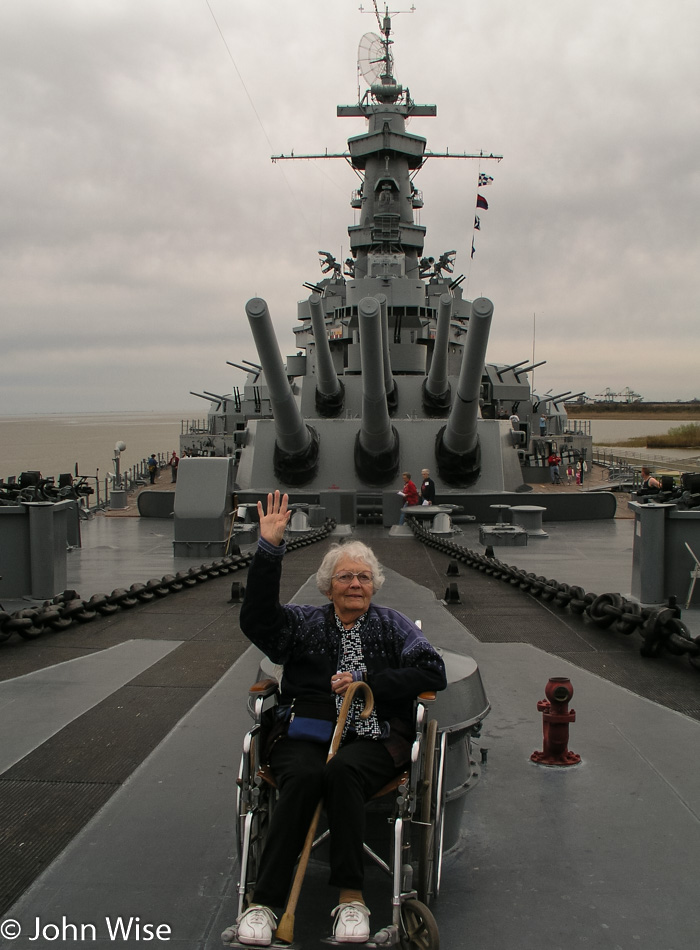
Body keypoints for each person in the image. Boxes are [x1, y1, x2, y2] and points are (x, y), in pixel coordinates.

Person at [232, 491, 447, 946]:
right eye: (347, 576)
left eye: (365, 577)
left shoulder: (394, 625)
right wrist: (269, 549)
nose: (356, 584)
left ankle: (352, 898)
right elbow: (256, 620)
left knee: (344, 771)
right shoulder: (304, 624)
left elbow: (432, 671)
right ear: (328, 586)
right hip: (305, 732)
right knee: (308, 776)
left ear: (375, 585)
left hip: (374, 738)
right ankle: (264, 903)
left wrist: (368, 680)